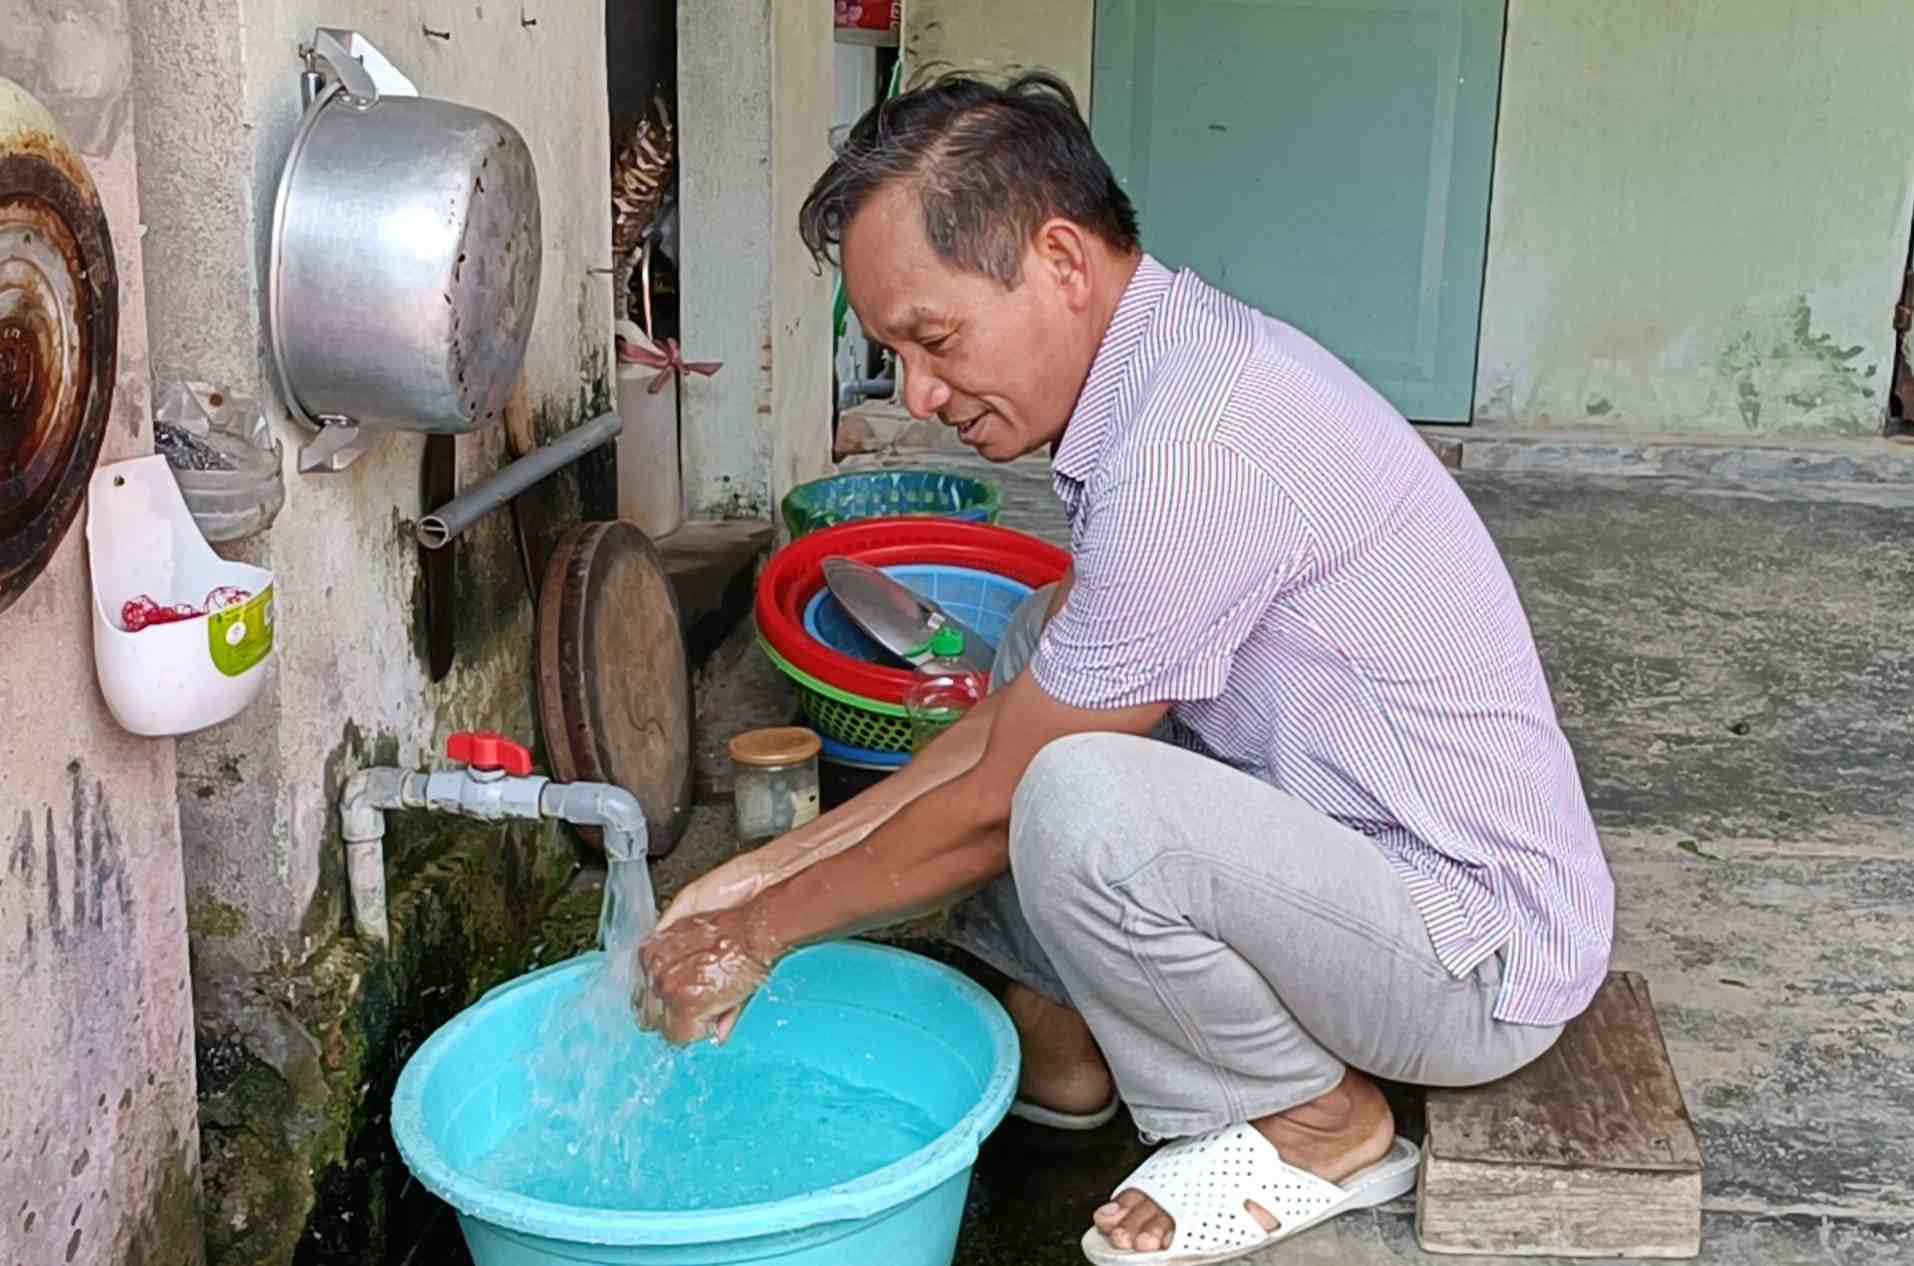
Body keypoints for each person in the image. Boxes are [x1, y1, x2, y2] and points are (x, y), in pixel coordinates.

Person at [638, 71, 1615, 1264]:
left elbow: (1009, 790)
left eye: (934, 340)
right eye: (892, 355)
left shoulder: (1192, 451)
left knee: (1083, 799)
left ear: (1059, 260)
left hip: (1471, 953)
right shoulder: (1167, 362)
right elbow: (1012, 730)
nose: (922, 396)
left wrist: (762, 932)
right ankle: (1072, 1046)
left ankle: (1320, 1123)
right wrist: (766, 874)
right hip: (1357, 851)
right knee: (1046, 648)